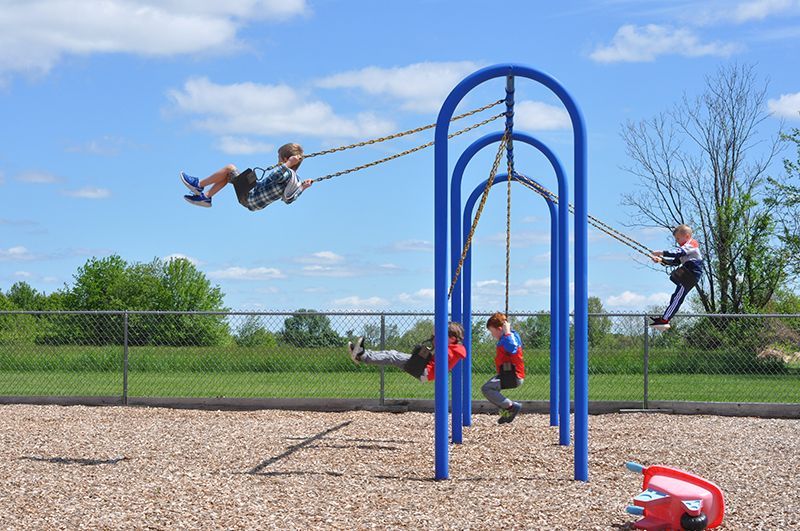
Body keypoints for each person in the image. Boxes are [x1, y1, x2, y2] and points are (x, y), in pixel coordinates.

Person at [180, 143, 313, 210]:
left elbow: (274, 176)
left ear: (285, 159)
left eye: (279, 158)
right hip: (254, 202)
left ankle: (198, 185)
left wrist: (288, 164)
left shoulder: (286, 172)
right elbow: (288, 200)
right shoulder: (296, 181)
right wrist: (303, 188)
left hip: (250, 196)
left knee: (230, 168)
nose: (277, 161)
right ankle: (206, 198)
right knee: (228, 176)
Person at [347, 322, 466, 382]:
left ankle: (362, 356)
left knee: (392, 356)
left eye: (442, 335)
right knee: (392, 355)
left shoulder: (454, 351)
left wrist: (436, 339)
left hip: (424, 371)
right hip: (424, 367)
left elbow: (442, 356)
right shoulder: (453, 348)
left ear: (452, 339)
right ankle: (362, 354)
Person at [650, 224, 704, 329]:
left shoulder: (691, 244)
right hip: (688, 275)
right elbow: (675, 262)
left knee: (677, 297)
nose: (677, 241)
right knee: (676, 296)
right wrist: (661, 260)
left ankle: (665, 320)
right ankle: (665, 318)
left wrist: (661, 252)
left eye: (678, 238)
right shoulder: (686, 248)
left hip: (691, 275)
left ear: (687, 236)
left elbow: (677, 253)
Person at [482, 312, 524, 424]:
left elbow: (512, 348)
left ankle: (511, 407)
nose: (492, 335)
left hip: (513, 376)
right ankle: (506, 411)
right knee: (490, 389)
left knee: (487, 388)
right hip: (506, 374)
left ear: (500, 328)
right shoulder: (506, 338)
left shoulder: (510, 337)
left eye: (492, 331)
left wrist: (507, 332)